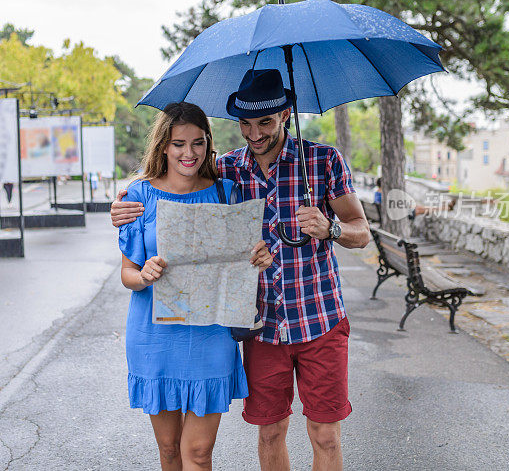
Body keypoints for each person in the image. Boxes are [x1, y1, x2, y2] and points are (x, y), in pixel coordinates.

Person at [112, 70, 370, 471]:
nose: (253, 134)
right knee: (269, 433)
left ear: (285, 114)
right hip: (262, 326)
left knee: (326, 437)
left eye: (264, 122)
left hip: (319, 317)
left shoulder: (322, 161)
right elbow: (175, 184)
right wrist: (121, 207)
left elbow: (361, 232)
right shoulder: (228, 172)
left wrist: (330, 227)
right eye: (244, 124)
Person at [119, 101, 273, 470]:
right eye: (178, 144)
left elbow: (243, 262)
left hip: (211, 335)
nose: (189, 153)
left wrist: (259, 259)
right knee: (170, 449)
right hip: (155, 336)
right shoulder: (139, 196)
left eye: (198, 142)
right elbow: (127, 274)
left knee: (199, 454)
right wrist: (144, 275)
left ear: (209, 144)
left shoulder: (229, 192)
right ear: (163, 147)